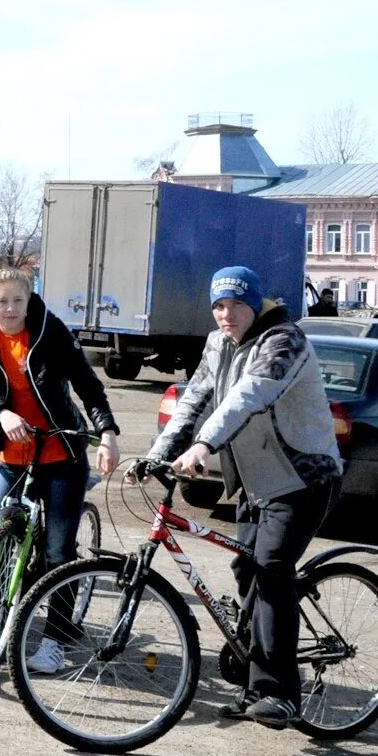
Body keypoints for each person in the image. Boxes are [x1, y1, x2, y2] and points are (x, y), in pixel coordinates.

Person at [141, 266, 343, 729]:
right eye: (217, 305)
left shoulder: (283, 340)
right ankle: (255, 686)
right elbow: (195, 398)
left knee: (270, 568)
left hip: (304, 477)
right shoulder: (218, 342)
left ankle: (282, 694)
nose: (225, 314)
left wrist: (203, 445)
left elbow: (248, 396)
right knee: (245, 569)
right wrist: (155, 454)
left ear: (256, 304)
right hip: (256, 482)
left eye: (234, 304)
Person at [0, 268, 120, 674]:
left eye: (19, 300)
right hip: (14, 456)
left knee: (58, 554)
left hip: (60, 453)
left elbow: (89, 385)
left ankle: (56, 641)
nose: (12, 308)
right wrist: (0, 413)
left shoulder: (53, 331)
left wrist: (107, 433)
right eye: (3, 302)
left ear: (30, 298)